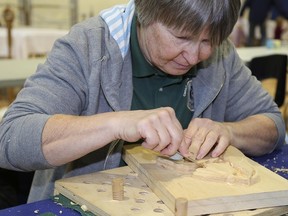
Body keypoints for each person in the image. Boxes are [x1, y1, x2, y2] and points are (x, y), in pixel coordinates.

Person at [0, 0, 285, 204]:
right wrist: (117, 123)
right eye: (181, 37)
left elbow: (271, 124)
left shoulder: (220, 55)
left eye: (208, 40)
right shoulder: (88, 47)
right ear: (145, 12)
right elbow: (11, 138)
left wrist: (229, 131)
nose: (195, 55)